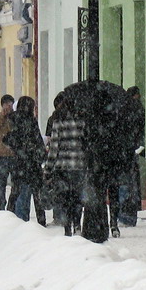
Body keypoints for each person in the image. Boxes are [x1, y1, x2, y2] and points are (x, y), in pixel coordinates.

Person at [43, 93, 85, 236]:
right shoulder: (82, 121)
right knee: (77, 197)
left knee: (66, 198)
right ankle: (78, 224)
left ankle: (67, 227)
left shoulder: (58, 122)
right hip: (79, 166)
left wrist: (48, 168)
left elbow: (54, 148)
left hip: (63, 168)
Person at [0, 96, 46, 225]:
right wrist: (40, 154)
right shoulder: (31, 121)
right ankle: (40, 221)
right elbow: (37, 140)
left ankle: (10, 217)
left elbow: (7, 138)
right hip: (32, 163)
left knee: (16, 192)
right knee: (37, 196)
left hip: (18, 162)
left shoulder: (12, 119)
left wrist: (17, 147)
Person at [117, 86, 145, 228]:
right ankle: (129, 216)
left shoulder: (120, 110)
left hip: (122, 153)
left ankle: (123, 215)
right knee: (130, 185)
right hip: (131, 151)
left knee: (123, 185)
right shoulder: (137, 109)